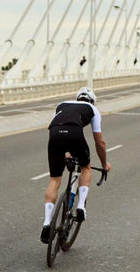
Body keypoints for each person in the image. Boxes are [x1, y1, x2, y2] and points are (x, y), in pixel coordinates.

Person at [40, 86, 111, 243]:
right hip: (74, 134)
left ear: (77, 98)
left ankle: (46, 223)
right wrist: (104, 164)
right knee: (85, 167)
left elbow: (58, 128)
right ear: (93, 101)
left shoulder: (62, 105)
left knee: (54, 179)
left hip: (55, 135)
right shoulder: (92, 109)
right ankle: (80, 207)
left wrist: (67, 153)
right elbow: (99, 142)